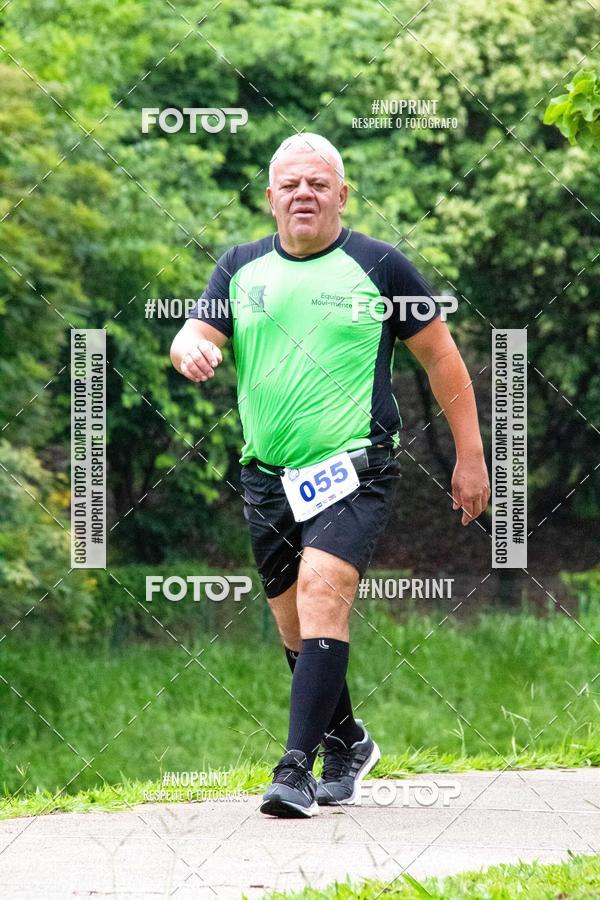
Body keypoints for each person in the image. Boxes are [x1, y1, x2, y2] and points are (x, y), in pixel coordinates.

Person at [170, 133, 490, 819]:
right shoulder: (240, 268)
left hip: (355, 466)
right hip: (266, 476)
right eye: (290, 184)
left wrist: (471, 456)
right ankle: (348, 740)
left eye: (317, 183)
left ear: (341, 194)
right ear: (270, 197)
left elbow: (442, 361)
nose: (303, 194)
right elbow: (196, 333)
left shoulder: (380, 266)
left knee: (322, 590)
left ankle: (294, 769)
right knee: (292, 621)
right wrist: (189, 348)